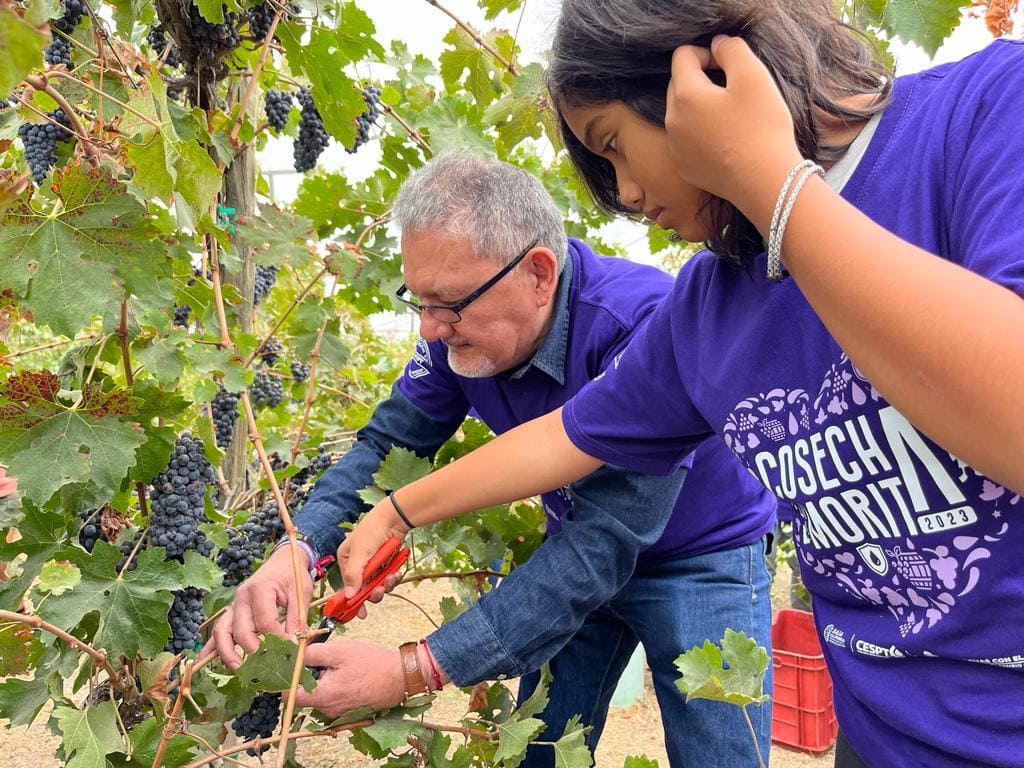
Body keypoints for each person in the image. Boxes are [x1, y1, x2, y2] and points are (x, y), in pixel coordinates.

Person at [337, 4, 1024, 768]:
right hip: (880, 743)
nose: (625, 193)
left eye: (613, 147)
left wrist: (769, 179)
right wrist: (398, 511)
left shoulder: (988, 111)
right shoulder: (708, 304)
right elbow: (564, 438)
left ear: (705, 72)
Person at [203, 151, 778, 766]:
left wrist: (413, 669)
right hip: (572, 547)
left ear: (537, 274)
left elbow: (605, 539)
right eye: (417, 301)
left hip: (703, 556)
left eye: (447, 304)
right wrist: (299, 549)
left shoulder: (640, 321)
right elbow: (385, 446)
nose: (428, 329)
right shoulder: (459, 338)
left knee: (719, 755)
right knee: (538, 750)